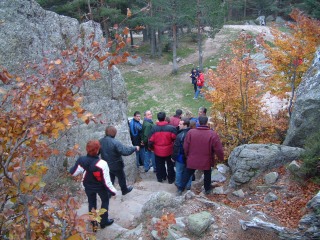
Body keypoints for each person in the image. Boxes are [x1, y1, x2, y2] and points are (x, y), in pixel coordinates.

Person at [69, 140, 117, 231]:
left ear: (87, 149)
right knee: (105, 201)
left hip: (88, 185)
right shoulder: (102, 163)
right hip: (100, 187)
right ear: (98, 150)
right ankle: (103, 222)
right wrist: (113, 191)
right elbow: (107, 182)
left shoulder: (81, 160)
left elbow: (73, 173)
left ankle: (93, 223)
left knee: (91, 202)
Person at [177, 116, 224, 195]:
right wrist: (221, 158)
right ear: (206, 123)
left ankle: (180, 189)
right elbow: (218, 149)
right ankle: (207, 189)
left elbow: (186, 146)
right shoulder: (212, 134)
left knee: (187, 173)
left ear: (198, 122)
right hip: (206, 159)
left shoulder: (191, 132)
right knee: (207, 173)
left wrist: (187, 155)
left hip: (192, 159)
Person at [99, 126, 139, 195]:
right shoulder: (115, 142)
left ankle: (109, 193)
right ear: (114, 133)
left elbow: (96, 152)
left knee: (110, 179)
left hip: (106, 164)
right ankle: (124, 190)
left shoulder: (100, 141)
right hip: (116, 165)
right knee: (121, 178)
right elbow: (125, 151)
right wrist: (134, 148)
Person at [149, 112, 177, 183]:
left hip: (158, 151)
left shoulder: (154, 128)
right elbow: (174, 138)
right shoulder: (171, 128)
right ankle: (171, 179)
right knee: (170, 165)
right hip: (169, 150)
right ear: (165, 118)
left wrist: (152, 148)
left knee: (159, 165)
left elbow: (150, 141)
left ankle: (160, 178)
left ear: (158, 118)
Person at [171, 118, 192, 190]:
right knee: (189, 172)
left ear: (185, 125)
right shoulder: (192, 133)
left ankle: (178, 184)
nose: (178, 125)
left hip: (181, 156)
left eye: (180, 124)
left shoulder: (180, 135)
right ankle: (188, 186)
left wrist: (173, 157)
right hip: (190, 157)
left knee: (179, 171)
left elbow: (176, 147)